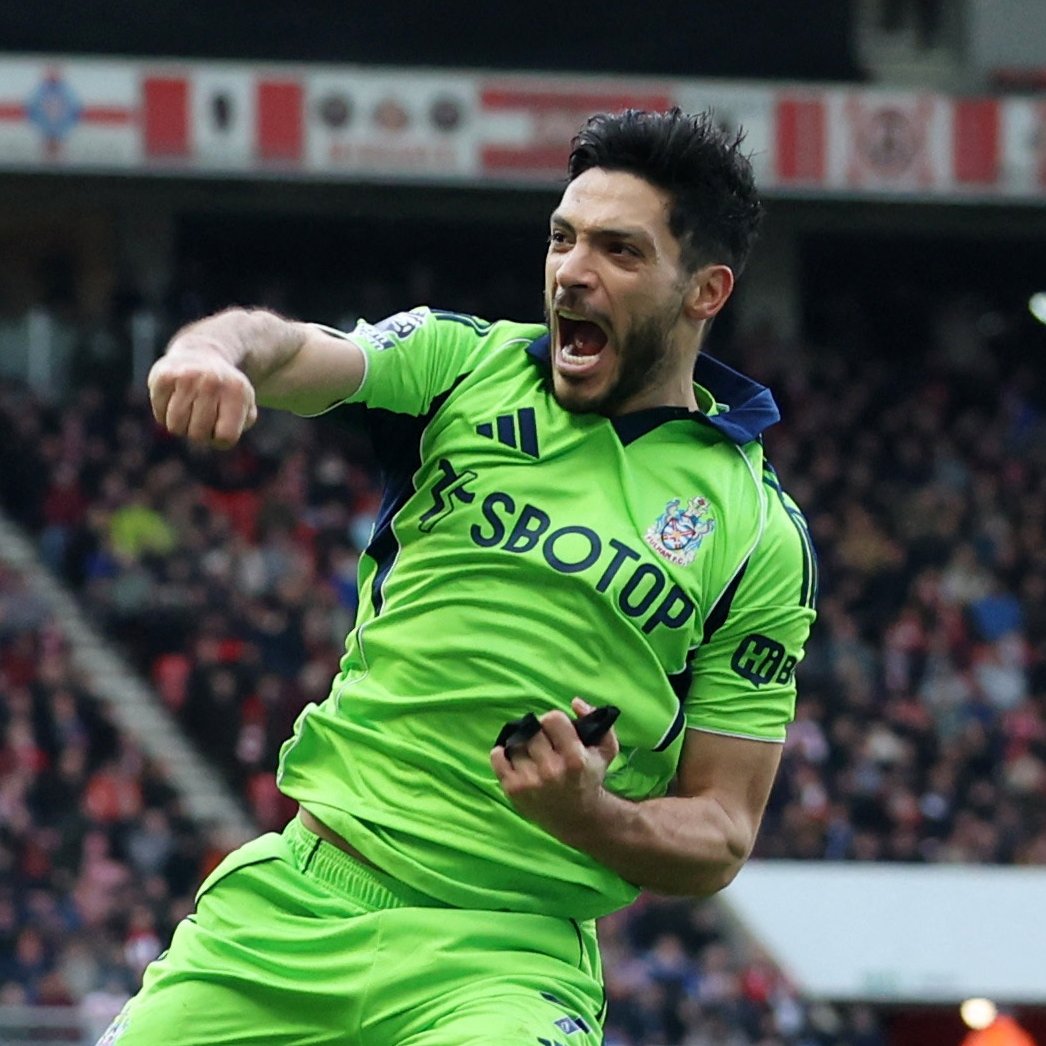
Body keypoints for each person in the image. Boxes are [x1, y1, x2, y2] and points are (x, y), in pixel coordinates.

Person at [102, 107, 817, 1045]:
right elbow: (291, 347)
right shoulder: (462, 365)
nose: (572, 271)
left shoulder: (760, 532)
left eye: (619, 250)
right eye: (563, 238)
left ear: (705, 291)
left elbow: (723, 830)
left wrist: (591, 813)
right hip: (297, 906)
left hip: (505, 963)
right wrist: (212, 352)